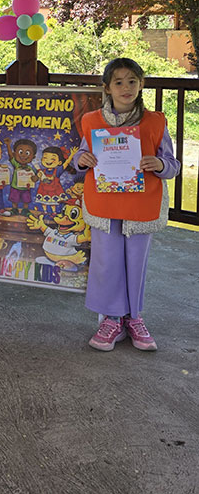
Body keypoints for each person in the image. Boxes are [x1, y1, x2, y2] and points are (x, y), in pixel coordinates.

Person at [76, 58, 180, 352]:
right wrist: (82, 160)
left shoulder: (155, 122)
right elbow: (80, 157)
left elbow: (172, 165)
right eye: (118, 82)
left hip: (140, 206)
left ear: (141, 84)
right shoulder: (91, 121)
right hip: (105, 205)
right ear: (107, 88)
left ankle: (134, 318)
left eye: (132, 81)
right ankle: (112, 320)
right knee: (106, 262)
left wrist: (159, 164)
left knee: (136, 262)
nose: (126, 87)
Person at [34, 145, 78, 217]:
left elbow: (66, 164)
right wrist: (38, 176)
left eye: (53, 159)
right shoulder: (42, 171)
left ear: (59, 162)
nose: (48, 161)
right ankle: (45, 211)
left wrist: (72, 154)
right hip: (43, 190)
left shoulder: (57, 171)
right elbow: (36, 178)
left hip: (54, 190)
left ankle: (54, 212)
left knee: (53, 203)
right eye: (45, 158)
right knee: (43, 202)